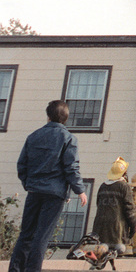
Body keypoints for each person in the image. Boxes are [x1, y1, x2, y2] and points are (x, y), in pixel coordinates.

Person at [10, 100, 88, 272]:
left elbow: (22, 165)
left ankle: (15, 269)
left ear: (48, 116)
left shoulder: (33, 136)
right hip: (55, 193)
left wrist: (28, 184)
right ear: (66, 118)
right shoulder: (68, 138)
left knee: (26, 234)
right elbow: (71, 167)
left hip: (34, 191)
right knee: (41, 236)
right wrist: (80, 191)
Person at [93, 157, 136, 250]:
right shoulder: (124, 187)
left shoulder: (103, 186)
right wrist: (133, 227)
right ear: (124, 173)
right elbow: (130, 210)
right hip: (117, 232)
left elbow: (98, 205)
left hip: (99, 231)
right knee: (119, 251)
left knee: (102, 254)